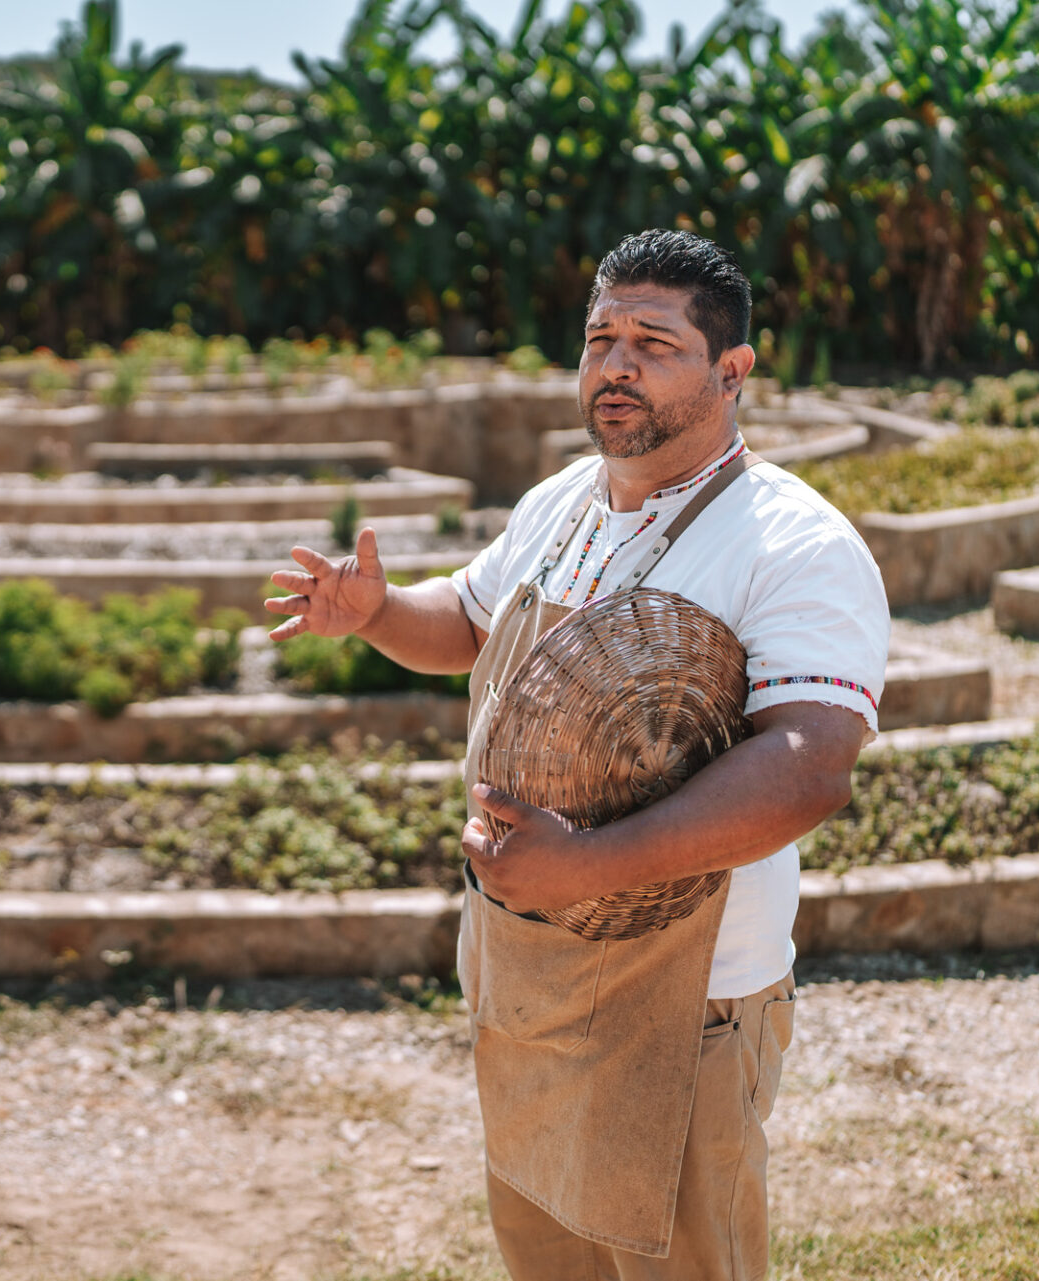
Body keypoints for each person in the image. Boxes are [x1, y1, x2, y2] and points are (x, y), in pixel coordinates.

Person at [265, 229, 889, 1280]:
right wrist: (376, 613)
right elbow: (464, 623)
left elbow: (808, 763)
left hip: (688, 1002)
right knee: (547, 1260)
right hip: (532, 976)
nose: (617, 365)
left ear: (733, 372)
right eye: (602, 338)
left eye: (655, 342)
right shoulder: (562, 503)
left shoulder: (795, 542)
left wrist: (591, 866)